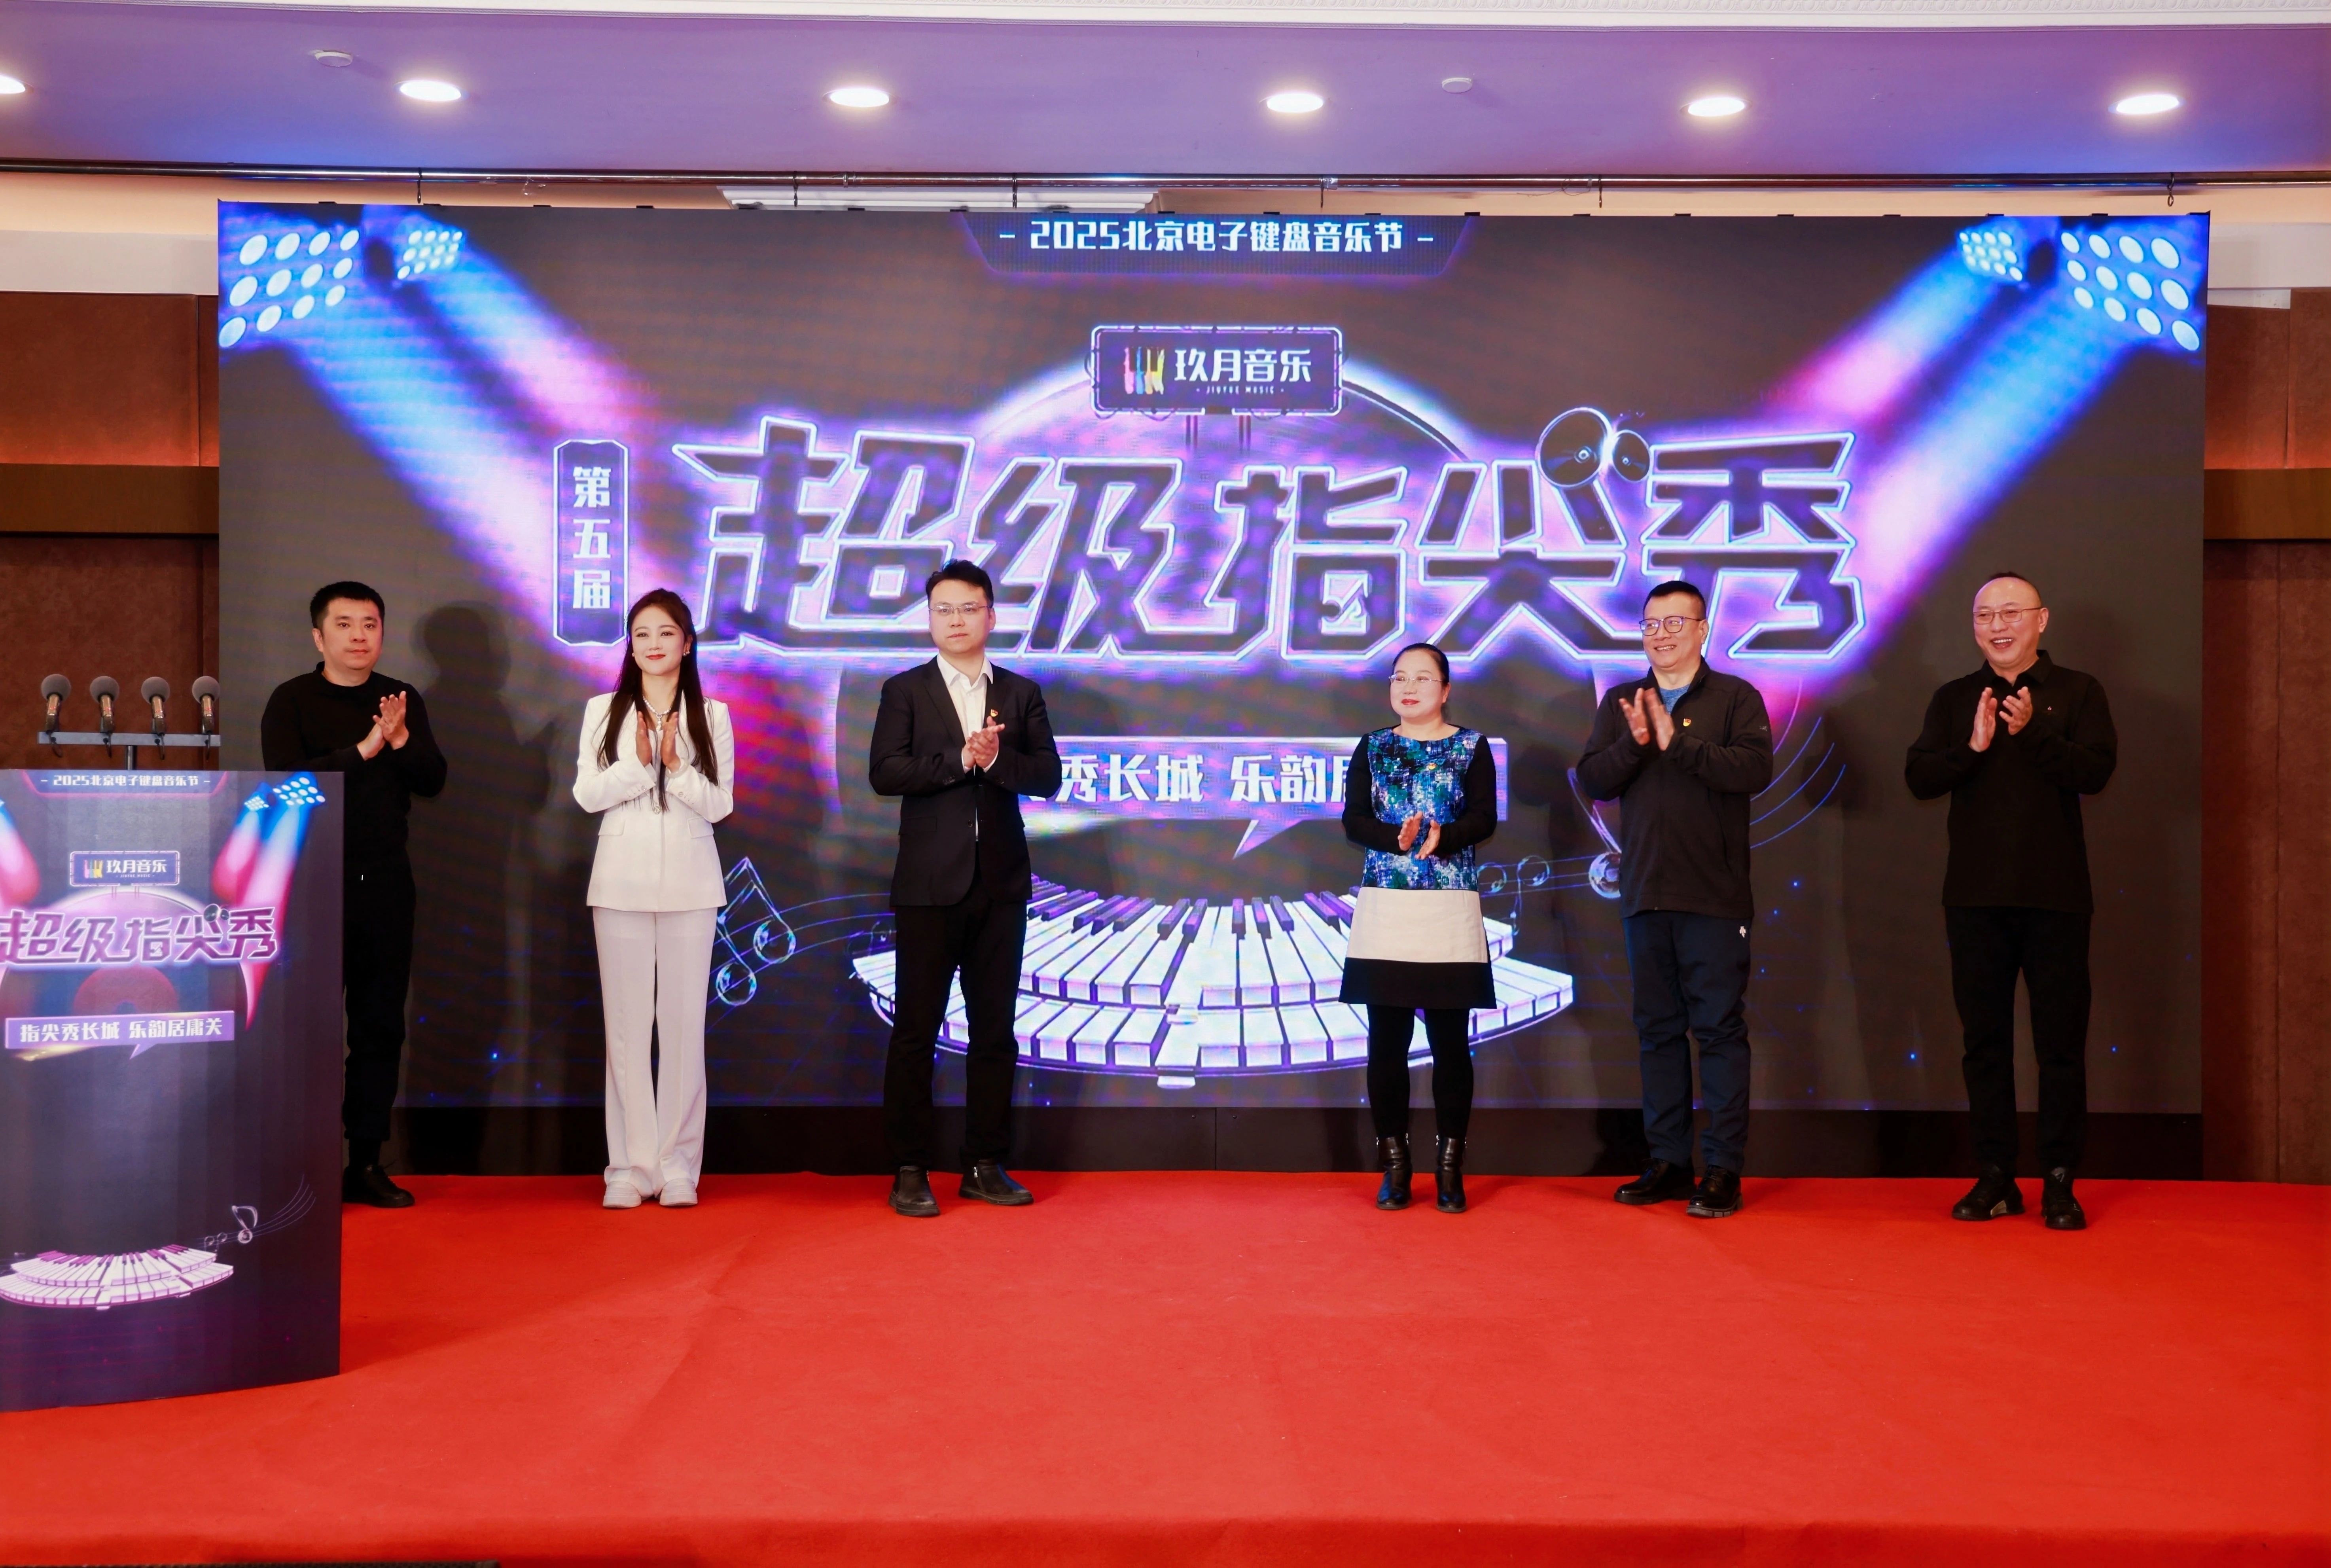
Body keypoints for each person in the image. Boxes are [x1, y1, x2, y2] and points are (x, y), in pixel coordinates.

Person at [1906, 572, 2116, 1231]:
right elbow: (1919, 777)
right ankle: (1995, 1175)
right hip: (1974, 899)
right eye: (1984, 616)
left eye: (2010, 614)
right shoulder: (1954, 698)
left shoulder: (2078, 691)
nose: (1996, 627)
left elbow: (2095, 772)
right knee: (1984, 1045)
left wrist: (2030, 733)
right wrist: (1971, 749)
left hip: (2056, 898)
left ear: (2040, 620)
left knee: (2059, 1046)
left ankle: (2058, 1180)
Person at [867, 561, 1062, 1218]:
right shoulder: (905, 690)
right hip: (928, 885)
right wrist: (959, 761)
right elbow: (885, 772)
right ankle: (909, 1168)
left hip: (1000, 885)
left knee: (994, 1032)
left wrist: (996, 759)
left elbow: (1048, 776)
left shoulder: (1021, 693)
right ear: (929, 619)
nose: (956, 620)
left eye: (968, 608)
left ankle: (984, 1163)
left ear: (991, 616)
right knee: (915, 1032)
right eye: (943, 610)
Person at [1576, 581, 1773, 1219]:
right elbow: (1594, 779)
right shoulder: (1622, 702)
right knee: (1656, 1032)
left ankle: (1721, 1169)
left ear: (1702, 629)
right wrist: (1635, 742)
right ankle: (1666, 1160)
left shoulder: (1735, 698)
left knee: (1718, 1031)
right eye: (1650, 624)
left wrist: (1675, 743)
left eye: (1673, 623)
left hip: (1713, 895)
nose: (1659, 635)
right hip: (1644, 892)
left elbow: (1752, 771)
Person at [261, 581, 447, 1208]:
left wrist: (400, 740)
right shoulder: (291, 700)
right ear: (319, 637)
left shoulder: (400, 700)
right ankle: (302, 1167)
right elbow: (286, 786)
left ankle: (365, 1162)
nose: (359, 636)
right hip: (310, 883)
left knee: (379, 1027)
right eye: (344, 625)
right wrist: (366, 749)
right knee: (307, 1030)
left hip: (386, 884)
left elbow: (433, 780)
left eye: (370, 624)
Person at [573, 589, 734, 1210]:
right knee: (626, 1030)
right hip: (619, 883)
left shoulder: (712, 714)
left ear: (687, 644)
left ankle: (677, 1166)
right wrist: (640, 766)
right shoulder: (603, 710)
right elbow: (588, 795)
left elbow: (720, 804)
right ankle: (628, 1167)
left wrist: (677, 767)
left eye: (666, 633)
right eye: (641, 634)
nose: (653, 644)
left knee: (684, 1030)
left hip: (692, 885)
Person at [1339, 643, 1498, 1214]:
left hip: (1449, 907)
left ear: (1445, 689)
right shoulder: (1373, 746)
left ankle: (1450, 1169)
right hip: (1387, 908)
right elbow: (1354, 820)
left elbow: (1484, 818)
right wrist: (1396, 839)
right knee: (1387, 1043)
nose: (1409, 688)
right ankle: (1396, 1168)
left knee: (1451, 1044)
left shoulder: (1471, 746)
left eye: (1423, 678)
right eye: (1399, 678)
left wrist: (1442, 837)